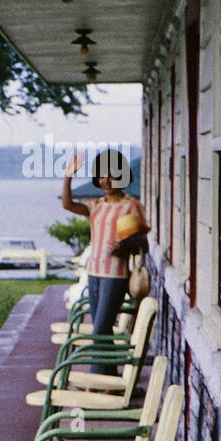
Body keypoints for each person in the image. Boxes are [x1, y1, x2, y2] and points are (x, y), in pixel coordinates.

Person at [60, 149, 148, 375]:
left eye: (111, 175)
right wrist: (68, 176)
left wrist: (123, 246)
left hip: (115, 276)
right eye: (101, 176)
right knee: (103, 328)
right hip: (95, 273)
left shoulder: (130, 206)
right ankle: (110, 380)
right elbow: (68, 205)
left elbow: (142, 244)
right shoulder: (96, 205)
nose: (106, 181)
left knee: (99, 329)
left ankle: (96, 380)